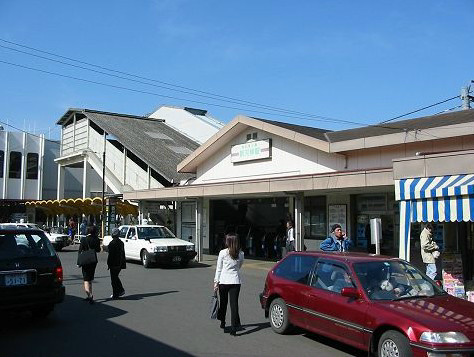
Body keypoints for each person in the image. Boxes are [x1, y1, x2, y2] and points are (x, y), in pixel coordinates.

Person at [214, 233, 244, 336]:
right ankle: (234, 328)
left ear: (228, 241)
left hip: (223, 281)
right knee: (234, 305)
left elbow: (219, 268)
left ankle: (223, 322)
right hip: (235, 281)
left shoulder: (222, 253)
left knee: (223, 303)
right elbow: (239, 266)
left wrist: (216, 282)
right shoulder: (241, 254)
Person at [78, 225, 101, 304]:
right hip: (93, 260)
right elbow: (98, 250)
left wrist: (78, 262)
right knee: (90, 278)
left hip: (85, 261)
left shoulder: (84, 239)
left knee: (86, 279)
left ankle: (90, 295)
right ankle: (89, 295)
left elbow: (80, 251)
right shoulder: (97, 239)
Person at [107, 228, 126, 299]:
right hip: (120, 263)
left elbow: (111, 255)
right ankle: (120, 290)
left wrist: (109, 264)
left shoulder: (112, 243)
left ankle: (116, 293)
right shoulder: (121, 242)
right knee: (115, 277)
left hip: (114, 263)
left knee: (114, 279)